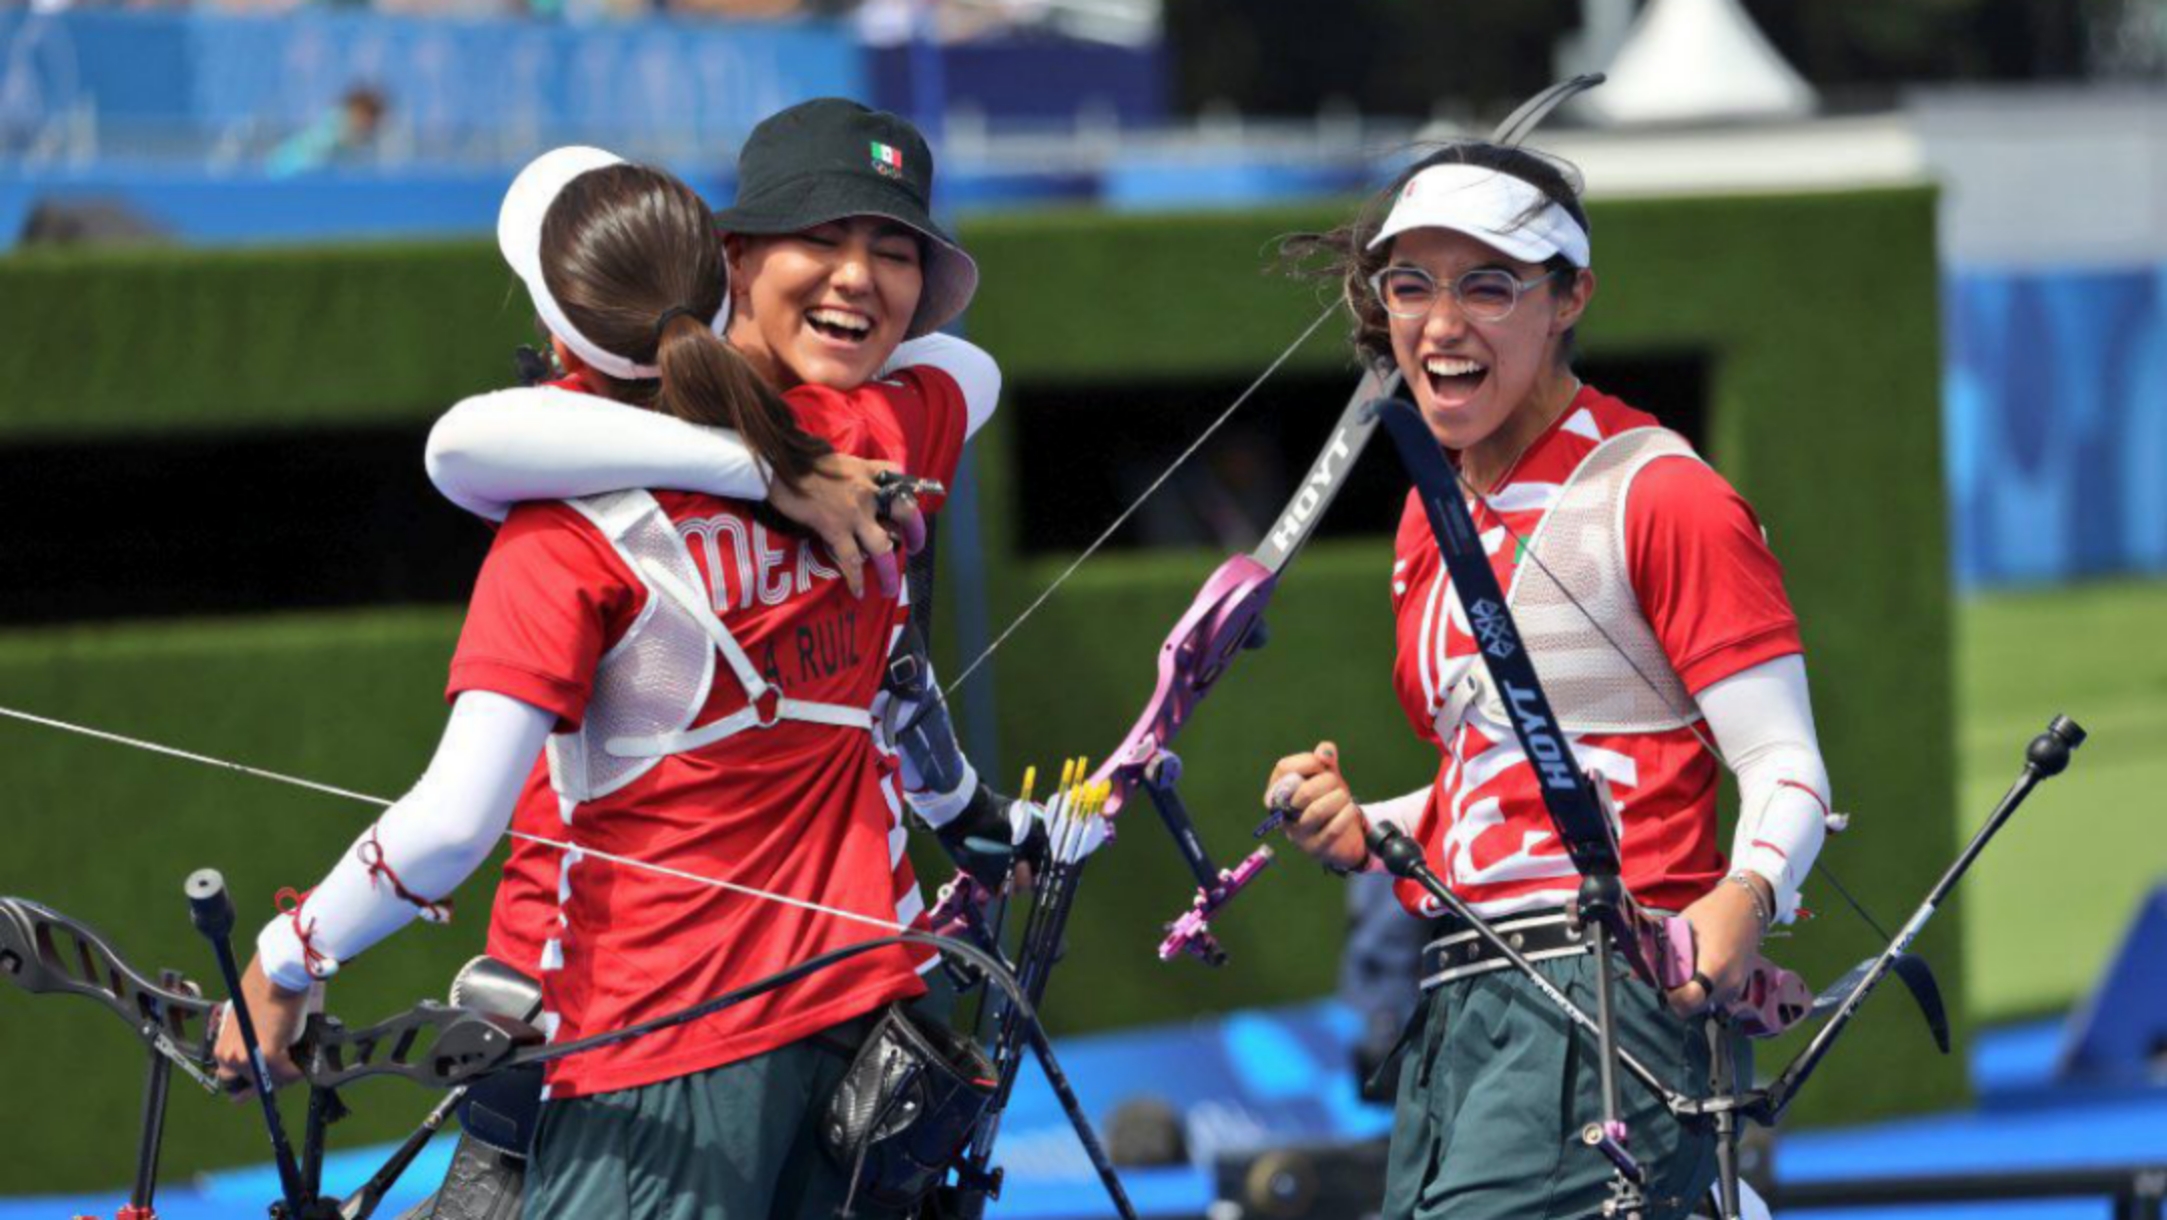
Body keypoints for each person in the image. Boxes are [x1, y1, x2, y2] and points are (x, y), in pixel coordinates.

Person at [213, 143, 983, 1220]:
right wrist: (775, 461)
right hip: (859, 1026)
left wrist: (289, 955)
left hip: (654, 1054)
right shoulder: (866, 446)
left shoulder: (561, 533)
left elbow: (449, 822)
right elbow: (968, 370)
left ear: (557, 330)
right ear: (724, 279)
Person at [1265, 142, 1834, 1220]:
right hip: (1458, 998)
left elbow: (1785, 762)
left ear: (1571, 297)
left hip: (1607, 994)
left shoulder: (1661, 491)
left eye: (1489, 284)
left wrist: (1746, 893)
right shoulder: (1427, 519)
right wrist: (1369, 820)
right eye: (1410, 284)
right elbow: (1505, 779)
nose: (1441, 323)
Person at [418, 99, 1039, 1008]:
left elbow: (884, 662)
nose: (857, 279)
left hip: (816, 988)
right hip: (582, 985)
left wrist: (964, 812)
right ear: (733, 261)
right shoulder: (610, 424)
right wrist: (770, 470)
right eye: (819, 239)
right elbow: (461, 442)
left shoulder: (872, 427)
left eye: (894, 252)